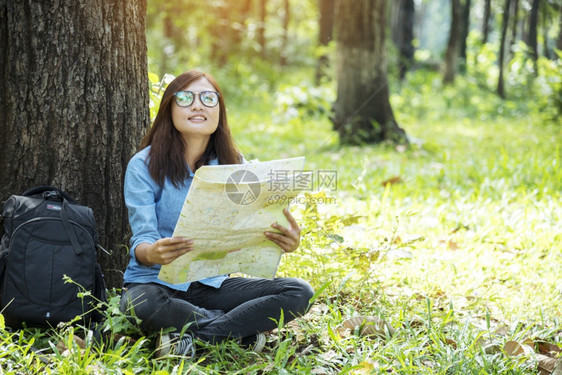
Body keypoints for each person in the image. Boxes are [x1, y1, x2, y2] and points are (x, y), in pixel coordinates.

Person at [119, 70, 314, 357]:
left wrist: (285, 239)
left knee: (299, 292)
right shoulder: (143, 165)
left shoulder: (236, 166)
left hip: (212, 285)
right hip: (154, 284)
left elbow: (254, 226)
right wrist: (153, 253)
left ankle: (190, 340)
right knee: (139, 305)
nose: (197, 105)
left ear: (219, 112)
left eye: (208, 98)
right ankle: (239, 334)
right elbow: (143, 239)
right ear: (169, 109)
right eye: (185, 97)